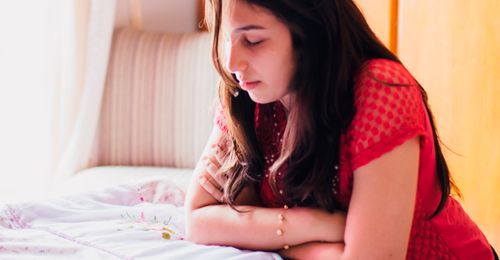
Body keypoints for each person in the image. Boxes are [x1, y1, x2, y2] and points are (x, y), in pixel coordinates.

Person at [184, 0, 497, 259]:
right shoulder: (250, 92)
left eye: (253, 41)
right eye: (226, 38)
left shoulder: (382, 91)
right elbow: (198, 220)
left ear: (311, 31)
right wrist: (319, 226)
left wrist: (269, 235)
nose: (232, 62)